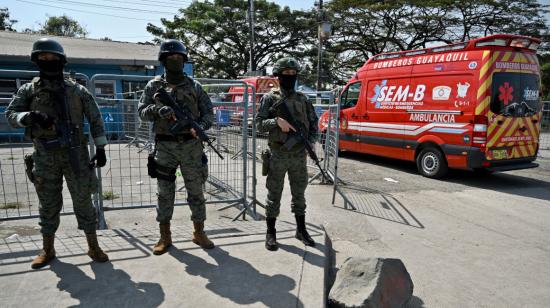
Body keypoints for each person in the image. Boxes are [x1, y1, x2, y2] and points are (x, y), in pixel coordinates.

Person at [6, 38, 109, 269]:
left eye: (52, 59)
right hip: (45, 155)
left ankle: (93, 246)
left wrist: (100, 148)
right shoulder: (28, 90)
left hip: (76, 154)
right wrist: (29, 117)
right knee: (48, 204)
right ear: (36, 61)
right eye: (42, 59)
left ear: (61, 61)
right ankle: (48, 249)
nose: (48, 62)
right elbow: (11, 114)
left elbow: (95, 119)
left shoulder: (78, 91)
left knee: (84, 201)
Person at [138, 39, 215, 254]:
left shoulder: (194, 86)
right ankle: (165, 237)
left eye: (179, 58)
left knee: (196, 191)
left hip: (191, 146)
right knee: (164, 193)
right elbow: (141, 112)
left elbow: (209, 113)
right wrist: (157, 110)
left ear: (184, 61)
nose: (175, 61)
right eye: (170, 58)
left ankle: (199, 233)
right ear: (163, 61)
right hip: (165, 147)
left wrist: (200, 126)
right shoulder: (154, 85)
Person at [256, 57, 319, 251]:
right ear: (279, 75)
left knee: (299, 194)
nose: (290, 77)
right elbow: (258, 123)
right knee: (274, 194)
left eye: (293, 74)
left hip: (299, 155)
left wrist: (312, 142)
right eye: (286, 73)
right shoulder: (270, 98)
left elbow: (314, 124)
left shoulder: (303, 99)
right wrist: (276, 122)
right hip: (278, 154)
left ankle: (301, 229)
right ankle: (271, 233)